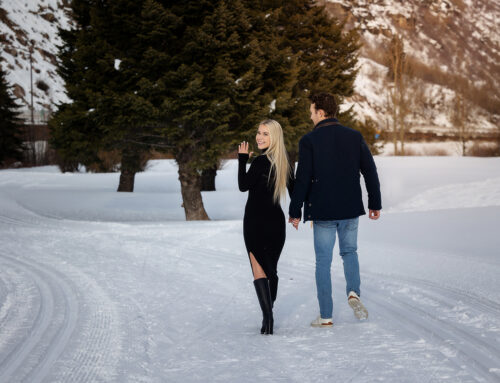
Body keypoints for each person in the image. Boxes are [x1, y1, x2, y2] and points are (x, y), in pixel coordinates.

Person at [288, 92, 381, 327]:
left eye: (311, 112)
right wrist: (374, 203)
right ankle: (353, 293)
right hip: (350, 208)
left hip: (323, 211)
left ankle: (326, 315)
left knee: (323, 262)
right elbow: (369, 171)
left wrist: (295, 210)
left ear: (320, 112)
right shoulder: (354, 136)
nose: (310, 117)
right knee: (349, 252)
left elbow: (303, 178)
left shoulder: (309, 141)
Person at [238, 119, 294, 335]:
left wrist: (242, 160)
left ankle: (267, 319)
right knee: (271, 270)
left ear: (274, 137)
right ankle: (268, 314)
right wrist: (296, 214)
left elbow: (243, 186)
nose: (259, 137)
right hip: (276, 224)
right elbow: (295, 190)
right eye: (259, 132)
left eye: (265, 134)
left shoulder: (260, 162)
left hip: (254, 222)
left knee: (259, 271)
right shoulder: (284, 162)